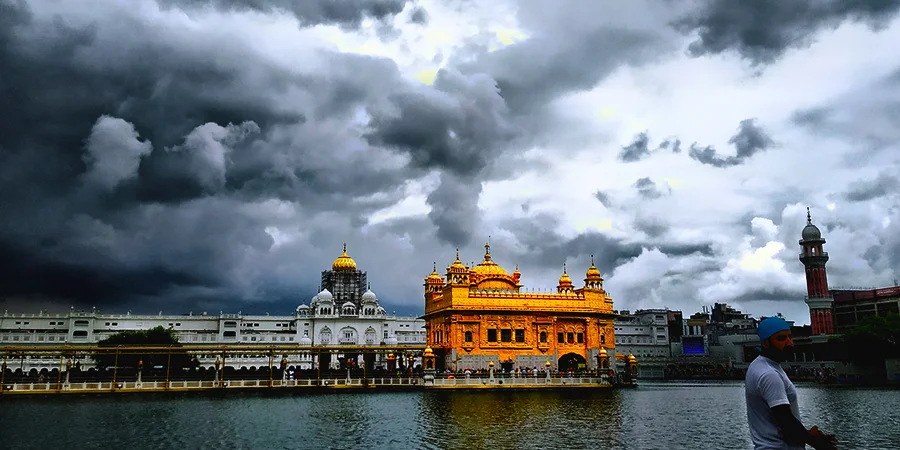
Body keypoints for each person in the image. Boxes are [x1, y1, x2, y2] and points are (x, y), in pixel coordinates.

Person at [745, 317, 838, 450]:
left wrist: (810, 437)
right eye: (781, 339)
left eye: (790, 337)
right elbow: (786, 421)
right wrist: (815, 441)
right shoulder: (769, 374)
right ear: (766, 343)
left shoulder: (761, 365)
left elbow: (783, 420)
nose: (789, 343)